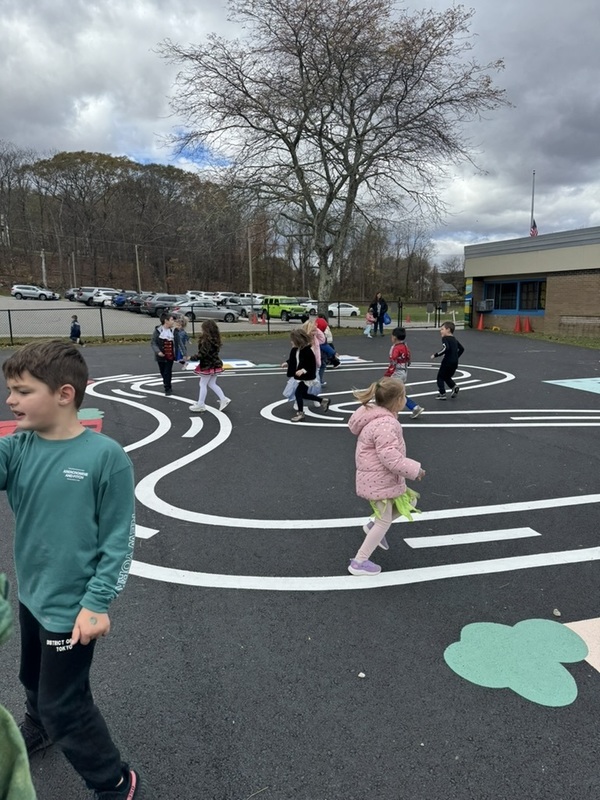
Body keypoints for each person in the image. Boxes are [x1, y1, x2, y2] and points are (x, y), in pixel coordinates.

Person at [0, 340, 144, 798]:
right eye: (10, 391)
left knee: (66, 705)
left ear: (64, 394)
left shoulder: (106, 457)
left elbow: (118, 539)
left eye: (22, 391)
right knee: (31, 679)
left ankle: (115, 781)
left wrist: (97, 603)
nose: (10, 400)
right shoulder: (17, 448)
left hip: (73, 607)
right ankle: (38, 726)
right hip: (32, 595)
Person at [347, 377, 425, 575]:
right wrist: (415, 470)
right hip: (379, 480)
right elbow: (390, 457)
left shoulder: (378, 417)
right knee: (384, 520)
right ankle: (359, 561)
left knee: (410, 501)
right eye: (404, 396)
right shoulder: (386, 424)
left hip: (380, 478)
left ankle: (373, 526)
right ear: (398, 400)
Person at [284, 328, 330, 422]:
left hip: (306, 377)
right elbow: (295, 359)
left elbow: (310, 364)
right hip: (301, 377)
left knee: (298, 393)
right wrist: (287, 363)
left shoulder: (307, 351)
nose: (291, 342)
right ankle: (322, 401)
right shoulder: (295, 350)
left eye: (293, 340)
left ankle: (301, 414)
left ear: (298, 341)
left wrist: (303, 370)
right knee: (303, 394)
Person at [190, 319, 231, 412]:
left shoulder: (206, 341)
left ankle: (201, 404)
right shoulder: (215, 339)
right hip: (214, 364)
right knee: (211, 383)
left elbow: (202, 354)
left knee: (203, 384)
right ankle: (223, 399)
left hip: (207, 365)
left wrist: (191, 358)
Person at [384, 327, 424, 419]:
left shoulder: (395, 348)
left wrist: (387, 375)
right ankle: (413, 407)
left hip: (396, 372)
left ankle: (412, 407)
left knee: (392, 391)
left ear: (394, 337)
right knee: (396, 392)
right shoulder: (405, 346)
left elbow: (393, 362)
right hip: (404, 371)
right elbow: (409, 360)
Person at [431, 320, 465, 399]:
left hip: (447, 361)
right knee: (447, 376)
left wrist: (436, 355)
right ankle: (454, 386)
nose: (440, 331)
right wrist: (456, 356)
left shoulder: (445, 338)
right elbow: (462, 349)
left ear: (448, 330)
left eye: (442, 329)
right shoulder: (454, 339)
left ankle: (442, 393)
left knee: (440, 377)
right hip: (454, 362)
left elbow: (446, 348)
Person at [150, 311, 178, 395]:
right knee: (163, 371)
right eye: (172, 320)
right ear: (166, 321)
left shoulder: (173, 331)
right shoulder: (158, 331)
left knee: (168, 371)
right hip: (161, 355)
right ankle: (166, 383)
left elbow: (177, 343)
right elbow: (153, 342)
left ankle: (167, 387)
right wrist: (158, 352)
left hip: (170, 355)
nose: (173, 322)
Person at [315, 314, 341, 384]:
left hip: (314, 353)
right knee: (321, 366)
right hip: (319, 354)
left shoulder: (313, 332)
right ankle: (318, 380)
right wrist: (333, 352)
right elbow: (324, 345)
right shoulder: (320, 335)